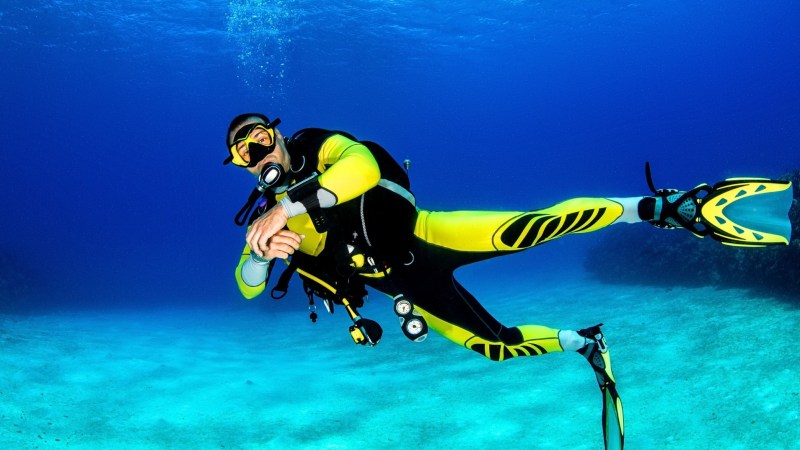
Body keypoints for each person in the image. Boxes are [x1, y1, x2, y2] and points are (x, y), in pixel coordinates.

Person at [223, 113, 793, 450]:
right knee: (494, 347)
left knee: (529, 229)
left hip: (428, 235)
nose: (254, 154)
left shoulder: (321, 146)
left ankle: (660, 209)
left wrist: (291, 208)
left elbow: (364, 167)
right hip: (405, 286)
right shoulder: (267, 217)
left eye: (256, 137)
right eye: (241, 154)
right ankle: (585, 343)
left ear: (274, 131)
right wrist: (261, 253)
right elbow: (248, 284)